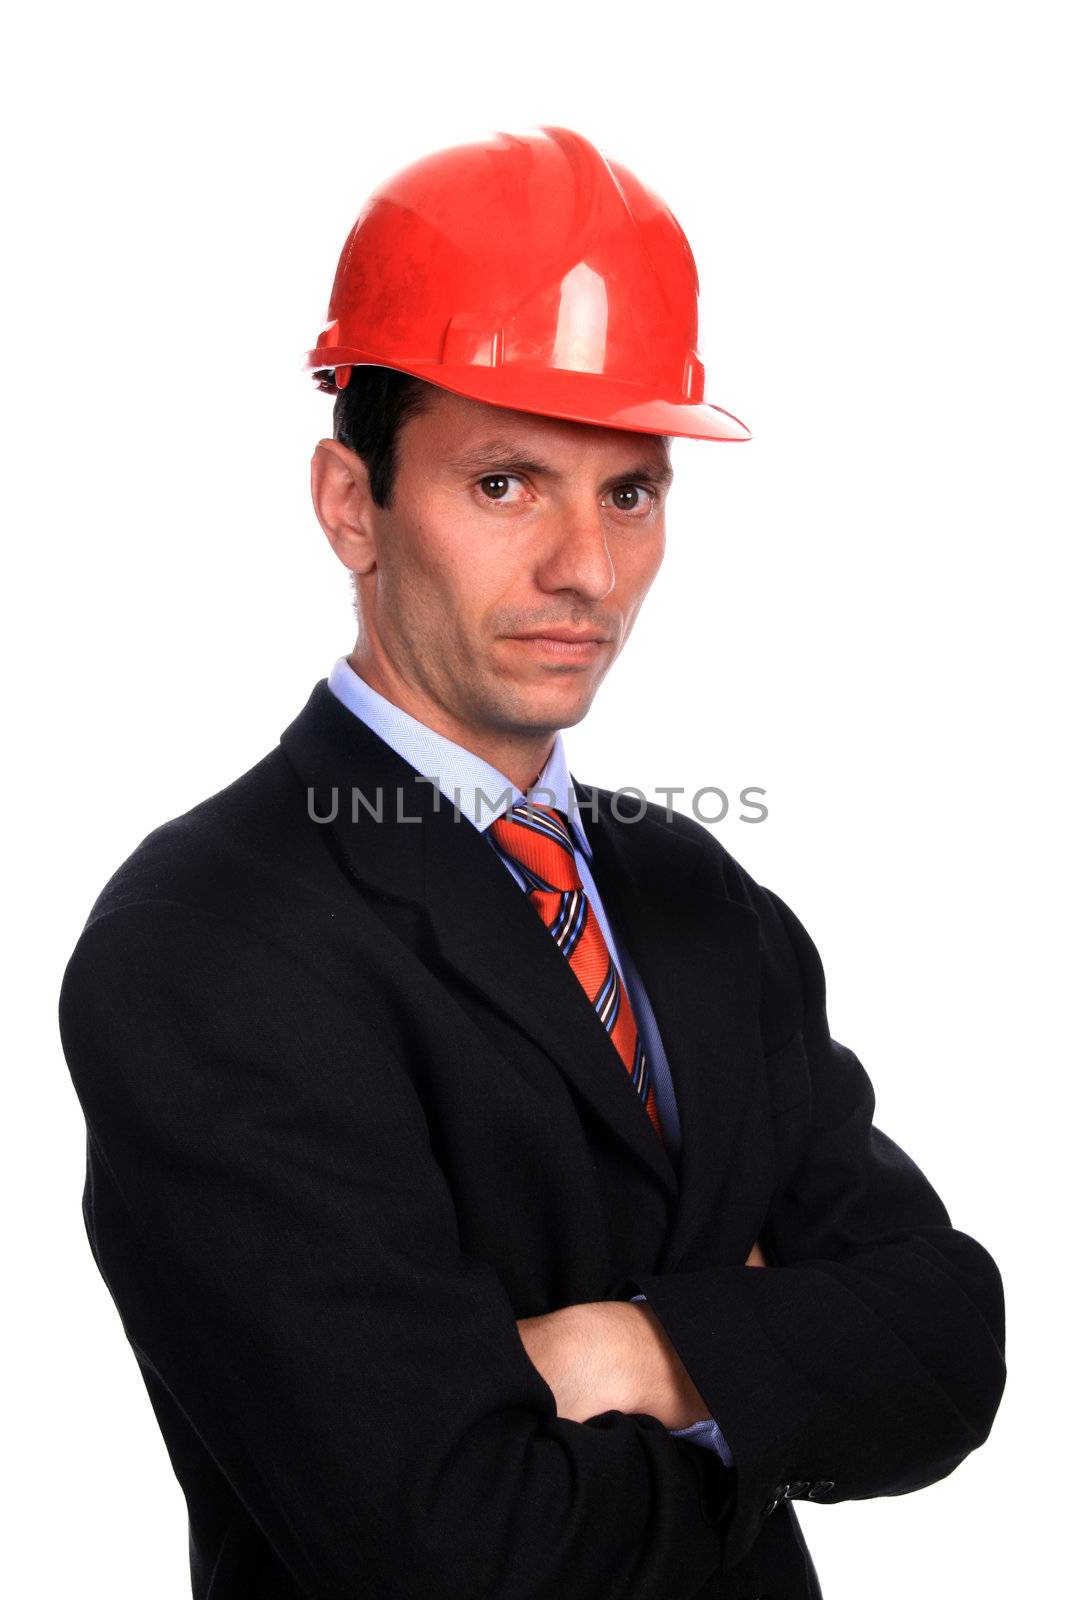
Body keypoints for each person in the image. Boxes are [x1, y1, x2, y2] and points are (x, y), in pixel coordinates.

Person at [57, 125, 1006, 1600]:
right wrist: (765, 1377)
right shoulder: (206, 943)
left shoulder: (696, 898)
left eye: (629, 491)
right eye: (506, 484)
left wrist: (641, 1347)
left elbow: (949, 1347)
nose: (585, 567)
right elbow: (442, 1544)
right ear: (350, 503)